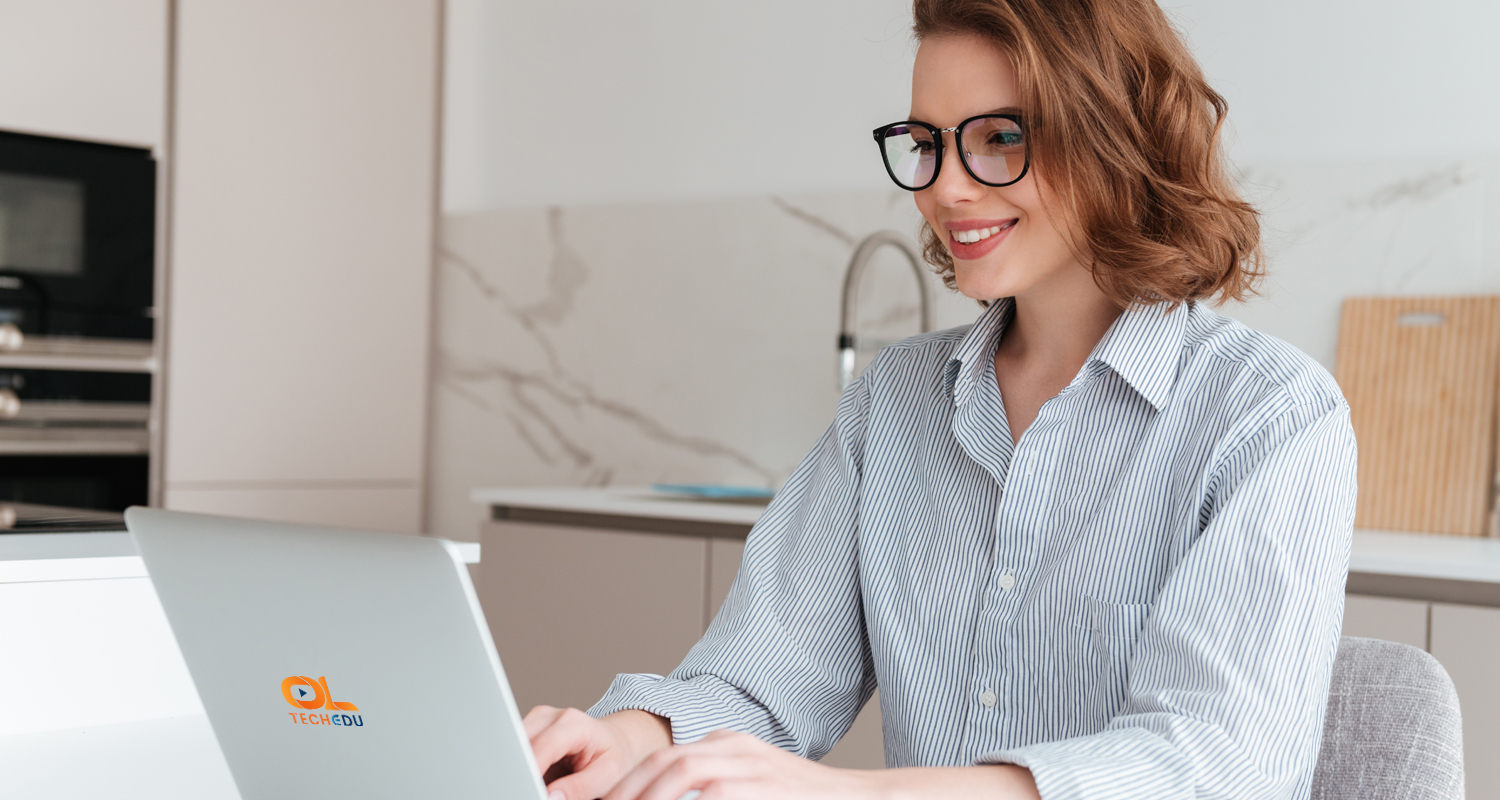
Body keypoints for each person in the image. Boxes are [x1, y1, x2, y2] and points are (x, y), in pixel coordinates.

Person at [525, 0, 1357, 797]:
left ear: (1114, 138)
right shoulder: (894, 402)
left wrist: (858, 794)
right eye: (927, 142)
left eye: (1000, 138)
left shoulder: (1272, 417)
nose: (946, 188)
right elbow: (760, 680)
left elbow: (1216, 768)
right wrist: (628, 739)